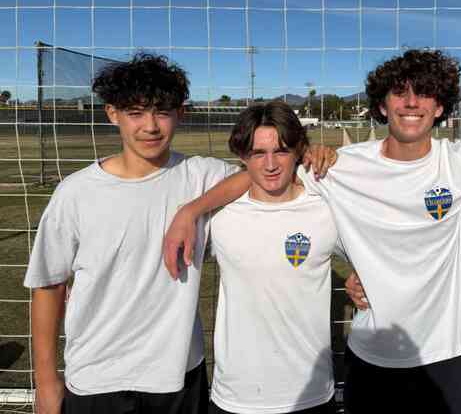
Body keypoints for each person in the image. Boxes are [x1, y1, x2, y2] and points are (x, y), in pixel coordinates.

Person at [164, 50, 461, 414]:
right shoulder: (340, 167)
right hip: (370, 356)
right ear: (382, 104)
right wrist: (192, 210)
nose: (412, 102)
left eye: (425, 93)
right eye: (400, 92)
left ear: (441, 107)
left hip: (447, 356)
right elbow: (263, 170)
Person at [24, 53, 336, 414]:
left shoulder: (200, 175)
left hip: (178, 377)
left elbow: (258, 169)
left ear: (180, 114)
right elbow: (48, 285)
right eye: (136, 112)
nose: (151, 126)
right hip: (97, 378)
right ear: (112, 114)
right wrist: (46, 382)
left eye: (162, 112)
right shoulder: (75, 193)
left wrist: (191, 209)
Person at [206, 102, 341, 414]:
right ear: (243, 157)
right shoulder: (220, 215)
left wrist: (359, 282)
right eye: (258, 153)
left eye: (281, 151)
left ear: (298, 152)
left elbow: (371, 257)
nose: (270, 165)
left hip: (311, 394)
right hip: (236, 398)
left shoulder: (325, 208)